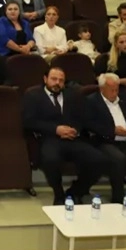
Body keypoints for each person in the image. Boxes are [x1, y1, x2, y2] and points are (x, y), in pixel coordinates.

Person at [23, 67, 107, 205]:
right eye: (54, 79)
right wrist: (56, 129)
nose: (57, 83)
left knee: (98, 159)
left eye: (61, 80)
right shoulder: (33, 95)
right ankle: (59, 193)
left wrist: (75, 130)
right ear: (45, 79)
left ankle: (76, 191)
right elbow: (28, 122)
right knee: (50, 159)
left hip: (73, 139)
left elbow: (83, 117)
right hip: (49, 138)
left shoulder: (73, 95)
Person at [86, 73, 126, 214]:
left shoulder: (125, 98)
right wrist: (113, 130)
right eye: (111, 89)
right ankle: (118, 198)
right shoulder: (91, 101)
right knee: (119, 159)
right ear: (102, 88)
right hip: (105, 141)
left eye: (117, 89)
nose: (115, 93)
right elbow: (89, 124)